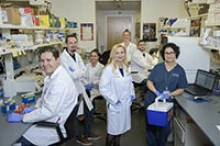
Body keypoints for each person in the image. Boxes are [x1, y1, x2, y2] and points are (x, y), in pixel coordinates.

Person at [7, 46, 79, 146]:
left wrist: (23, 116)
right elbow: (45, 97)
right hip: (54, 120)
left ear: (58, 60)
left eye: (48, 60)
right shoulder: (54, 76)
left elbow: (47, 112)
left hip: (54, 127)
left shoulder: (60, 82)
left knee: (16, 141)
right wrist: (34, 108)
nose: (45, 64)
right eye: (42, 60)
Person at [60, 34, 101, 146]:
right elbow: (72, 75)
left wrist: (79, 73)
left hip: (82, 87)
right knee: (75, 115)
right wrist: (80, 72)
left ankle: (88, 133)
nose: (73, 45)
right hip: (72, 90)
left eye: (75, 42)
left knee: (89, 110)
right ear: (66, 44)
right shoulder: (63, 58)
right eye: (71, 43)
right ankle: (79, 136)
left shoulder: (77, 56)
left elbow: (83, 71)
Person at [145, 43, 188, 146]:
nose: (169, 55)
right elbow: (149, 82)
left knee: (164, 128)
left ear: (176, 54)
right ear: (163, 55)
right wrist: (155, 91)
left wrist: (169, 94)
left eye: (171, 53)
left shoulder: (180, 71)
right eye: (166, 53)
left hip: (167, 104)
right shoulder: (158, 68)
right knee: (150, 127)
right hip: (152, 101)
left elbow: (181, 88)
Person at [99, 44, 135, 146]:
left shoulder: (126, 67)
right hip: (115, 104)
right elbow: (103, 88)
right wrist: (114, 100)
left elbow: (130, 83)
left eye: (122, 52)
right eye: (117, 53)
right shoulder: (109, 69)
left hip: (125, 103)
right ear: (113, 54)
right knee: (113, 131)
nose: (120, 55)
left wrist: (132, 94)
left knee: (120, 129)